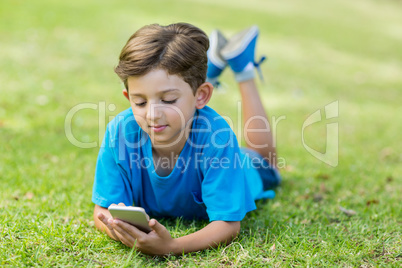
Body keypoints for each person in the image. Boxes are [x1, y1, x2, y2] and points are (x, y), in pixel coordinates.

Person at [92, 22, 281, 256]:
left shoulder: (218, 138)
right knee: (181, 90)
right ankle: (199, 75)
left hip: (244, 165)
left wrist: (171, 247)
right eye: (140, 102)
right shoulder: (120, 132)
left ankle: (243, 68)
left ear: (203, 95)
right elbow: (102, 209)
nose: (152, 114)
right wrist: (123, 233)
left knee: (267, 161)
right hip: (198, 123)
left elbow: (229, 225)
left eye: (169, 99)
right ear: (128, 97)